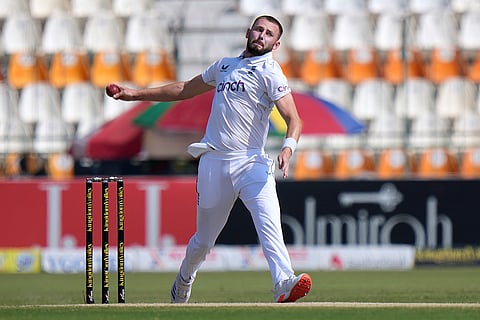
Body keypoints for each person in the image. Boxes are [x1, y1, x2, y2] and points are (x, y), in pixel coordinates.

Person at [107, 15, 312, 303]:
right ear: (248, 32)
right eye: (258, 29)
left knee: (269, 223)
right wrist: (135, 94)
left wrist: (288, 148)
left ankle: (283, 283)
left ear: (275, 44)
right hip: (215, 163)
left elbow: (294, 119)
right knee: (203, 242)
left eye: (268, 34)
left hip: (252, 163)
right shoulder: (224, 66)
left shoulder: (271, 71)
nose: (261, 36)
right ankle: (183, 280)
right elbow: (183, 89)